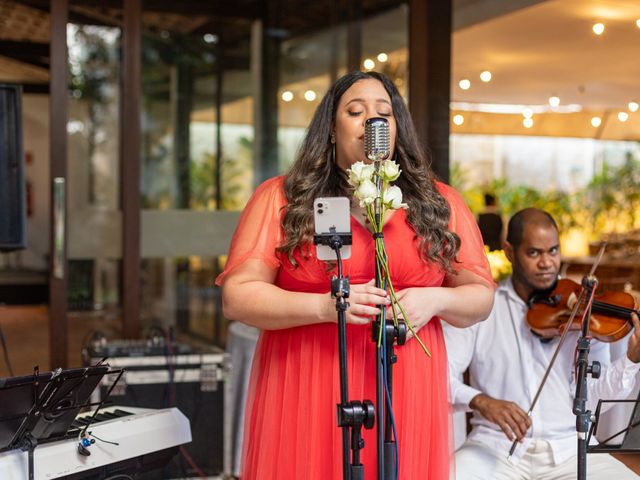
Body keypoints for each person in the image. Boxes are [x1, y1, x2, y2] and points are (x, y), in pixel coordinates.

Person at [216, 71, 495, 480]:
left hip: (405, 382)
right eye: (356, 111)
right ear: (331, 127)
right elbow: (237, 297)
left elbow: (481, 296)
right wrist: (325, 307)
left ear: (397, 129)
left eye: (384, 114)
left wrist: (435, 300)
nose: (372, 122)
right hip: (307, 378)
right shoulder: (283, 198)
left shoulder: (438, 203)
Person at [444, 207, 640, 479]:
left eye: (553, 251)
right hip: (494, 448)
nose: (547, 262)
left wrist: (630, 360)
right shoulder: (481, 306)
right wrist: (481, 401)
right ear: (510, 252)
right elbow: (441, 377)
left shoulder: (585, 312)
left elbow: (595, 398)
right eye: (534, 253)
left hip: (571, 448)